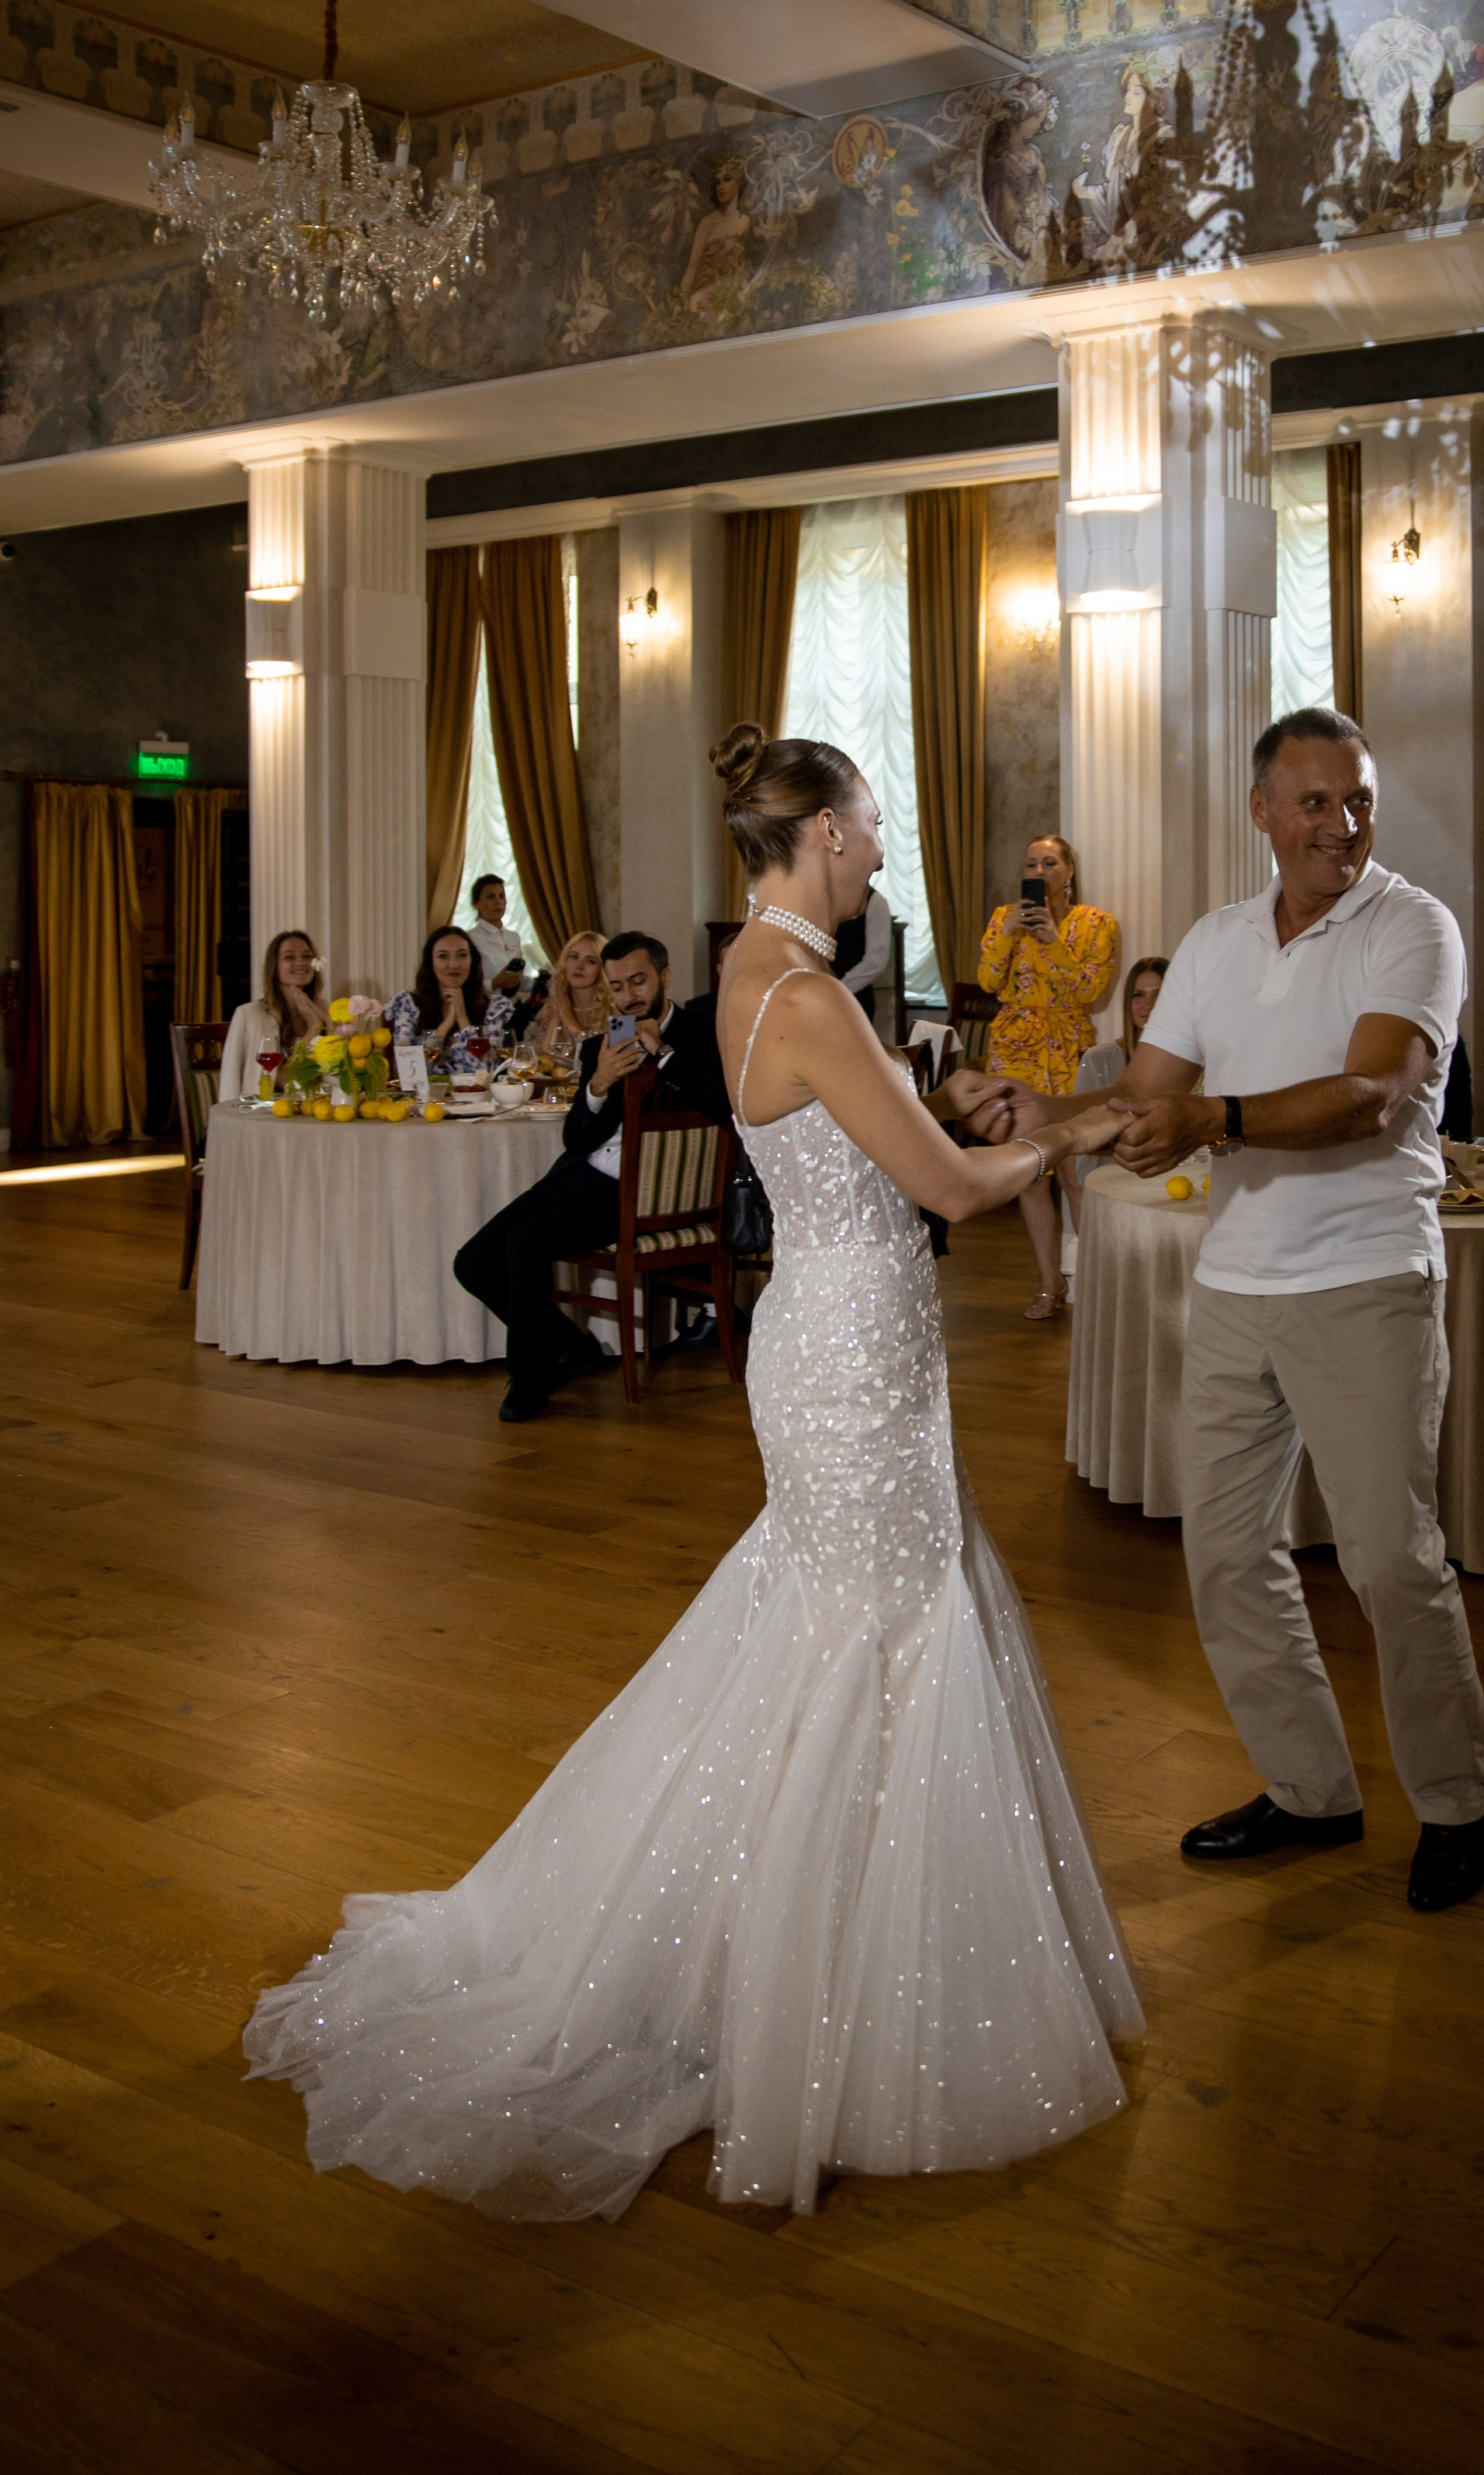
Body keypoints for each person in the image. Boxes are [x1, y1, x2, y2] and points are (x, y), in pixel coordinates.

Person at [245, 722, 1140, 2220]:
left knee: (836, 1622)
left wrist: (973, 1109)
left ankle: (830, 1937)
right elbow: (945, 1192)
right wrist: (1074, 1133)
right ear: (816, 834)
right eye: (863, 826)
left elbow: (878, 1140)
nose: (875, 848)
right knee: (872, 1634)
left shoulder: (761, 980)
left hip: (843, 1339)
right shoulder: (801, 989)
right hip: (850, 1351)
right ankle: (816, 1982)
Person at [1092, 705, 1484, 1914]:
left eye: (1359, 798)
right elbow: (1142, 1099)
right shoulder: (1216, 940)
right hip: (1234, 1289)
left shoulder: (1414, 926)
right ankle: (1311, 1791)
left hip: (1367, 1279)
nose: (1343, 823)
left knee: (1388, 1559)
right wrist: (1025, 1120)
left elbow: (1371, 1094)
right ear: (1262, 811)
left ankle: (1457, 1802)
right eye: (1315, 802)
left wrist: (1215, 1121)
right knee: (1223, 1558)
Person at [452, 932, 726, 1423]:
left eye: (638, 982)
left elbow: (725, 1106)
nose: (628, 997)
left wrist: (664, 1056)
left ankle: (528, 1377)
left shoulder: (704, 1032)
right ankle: (571, 1346)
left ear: (664, 978)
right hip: (587, 1175)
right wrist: (597, 1085)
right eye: (617, 986)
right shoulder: (607, 1040)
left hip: (649, 1190)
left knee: (525, 1242)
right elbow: (576, 1141)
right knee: (472, 1262)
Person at [977, 833, 1119, 1318]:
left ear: (1069, 871)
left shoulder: (1097, 924)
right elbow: (988, 981)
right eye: (1031, 863)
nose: (1039, 872)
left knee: (1073, 1171)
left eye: (1050, 863)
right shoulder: (1004, 918)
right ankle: (1048, 1282)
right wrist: (1010, 931)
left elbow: (1090, 990)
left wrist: (1054, 943)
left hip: (1067, 1052)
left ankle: (1096, 1282)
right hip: (1015, 1052)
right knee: (1029, 1172)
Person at [1067, 954, 1170, 1224]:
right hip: (1116, 1181)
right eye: (1139, 995)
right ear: (1128, 1003)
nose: (1148, 1005)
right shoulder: (1098, 1059)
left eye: (1159, 995)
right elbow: (1083, 1136)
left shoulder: (1196, 1061)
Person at [384, 926, 515, 1079]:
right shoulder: (408, 1004)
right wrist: (444, 1028)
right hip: (426, 1101)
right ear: (430, 964)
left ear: (472, 961)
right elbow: (408, 1073)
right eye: (443, 956)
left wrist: (463, 1019)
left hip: (478, 1100)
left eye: (462, 955)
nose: (454, 964)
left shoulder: (494, 1006)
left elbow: (487, 1072)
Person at [217, 929, 326, 1102]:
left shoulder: (326, 1010)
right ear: (274, 967)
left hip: (319, 1111)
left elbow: (345, 1072)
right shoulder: (248, 1015)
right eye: (289, 957)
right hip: (263, 1116)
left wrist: (328, 1022)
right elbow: (291, 1083)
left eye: (307, 956)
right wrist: (313, 1029)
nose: (301, 962)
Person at [519, 928, 611, 1068]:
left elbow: (595, 1061)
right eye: (574, 957)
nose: (579, 966)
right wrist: (556, 1018)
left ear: (602, 969)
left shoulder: (614, 1011)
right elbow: (540, 1063)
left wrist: (567, 1017)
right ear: (565, 962)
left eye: (591, 961)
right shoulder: (551, 1007)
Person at [834, 886, 893, 1022]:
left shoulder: (875, 901)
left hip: (855, 1001)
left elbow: (876, 961)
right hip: (820, 998)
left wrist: (840, 989)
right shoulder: (826, 896)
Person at [466, 875, 528, 998]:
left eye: (501, 896)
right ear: (476, 903)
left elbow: (516, 980)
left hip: (512, 1006)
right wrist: (494, 983)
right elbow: (465, 985)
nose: (498, 901)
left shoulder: (513, 937)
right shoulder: (469, 939)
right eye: (490, 897)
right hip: (483, 1007)